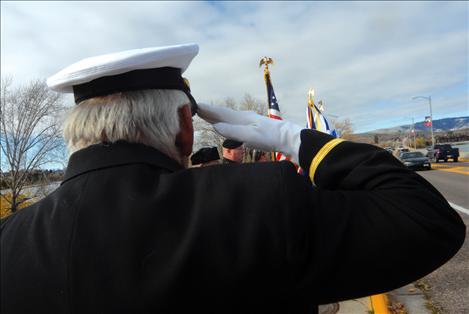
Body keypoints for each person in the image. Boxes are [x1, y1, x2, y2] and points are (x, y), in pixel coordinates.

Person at [0, 43, 465, 314]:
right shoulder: (256, 203)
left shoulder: (9, 242)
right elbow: (426, 221)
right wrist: (294, 139)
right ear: (186, 126)